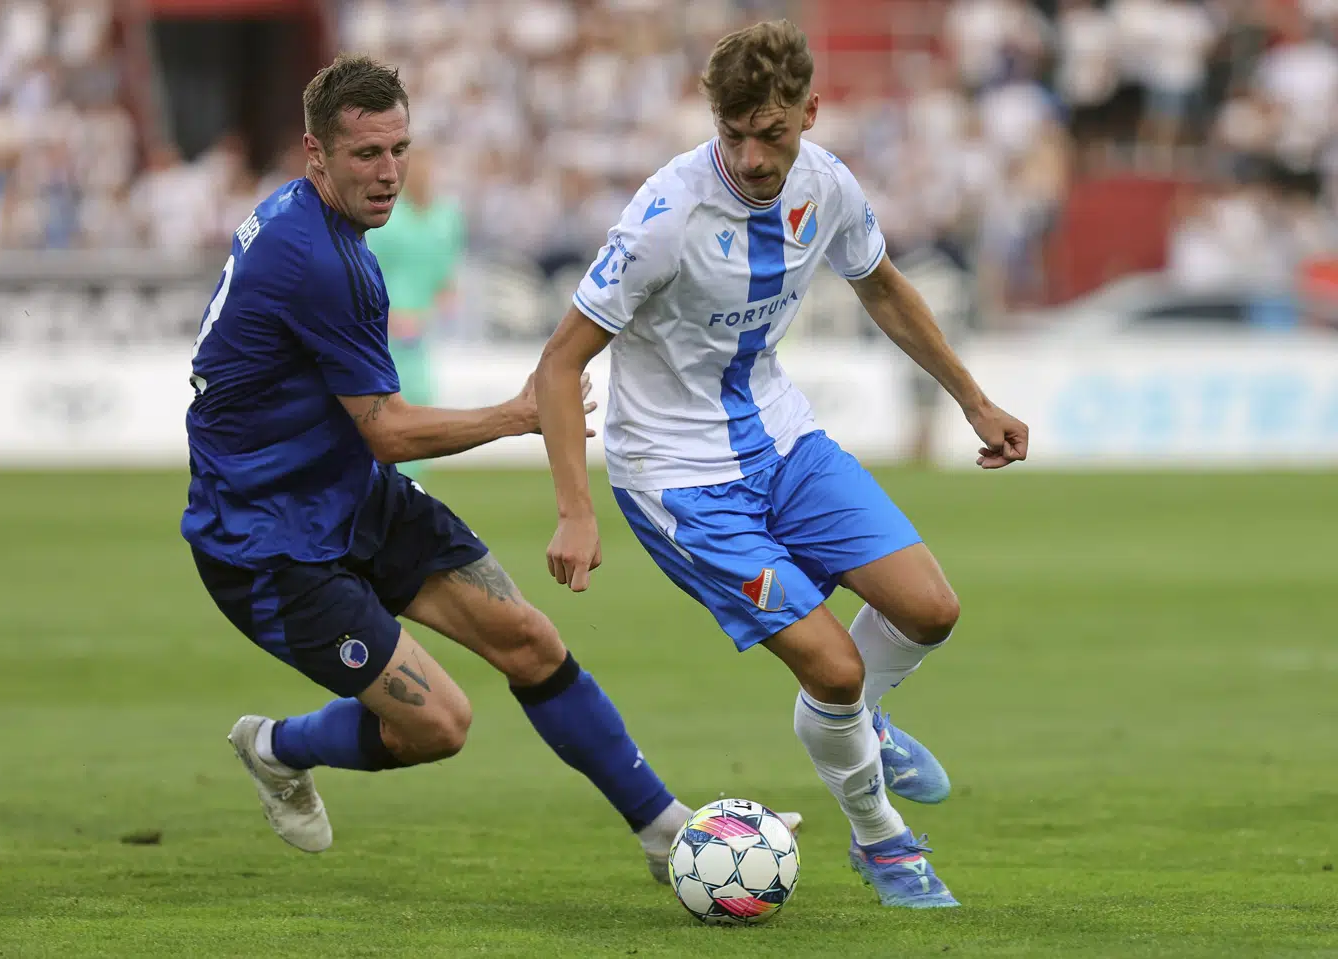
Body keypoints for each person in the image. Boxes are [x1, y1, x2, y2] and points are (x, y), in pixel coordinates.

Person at [183, 55, 787, 881]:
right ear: (314, 155)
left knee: (529, 639)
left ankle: (662, 829)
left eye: (399, 148)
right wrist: (519, 414)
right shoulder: (318, 260)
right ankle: (275, 744)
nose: (390, 171)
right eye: (366, 155)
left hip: (348, 496)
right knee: (439, 724)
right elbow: (388, 431)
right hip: (267, 542)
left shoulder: (321, 231)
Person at [534, 20, 1028, 909]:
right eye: (734, 136)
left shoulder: (827, 183)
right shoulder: (665, 218)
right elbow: (559, 361)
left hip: (781, 436)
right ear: (712, 120)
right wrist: (576, 507)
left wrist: (973, 398)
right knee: (832, 668)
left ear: (810, 111)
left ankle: (861, 726)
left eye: (773, 133)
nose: (755, 157)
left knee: (929, 608)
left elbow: (880, 284)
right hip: (676, 477)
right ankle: (883, 841)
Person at [363, 146, 464, 479]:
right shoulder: (387, 218)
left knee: (419, 400)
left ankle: (404, 486)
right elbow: (368, 269)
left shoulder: (447, 217)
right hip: (381, 328)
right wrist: (386, 315)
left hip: (419, 331)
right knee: (383, 405)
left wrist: (441, 300)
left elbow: (446, 274)